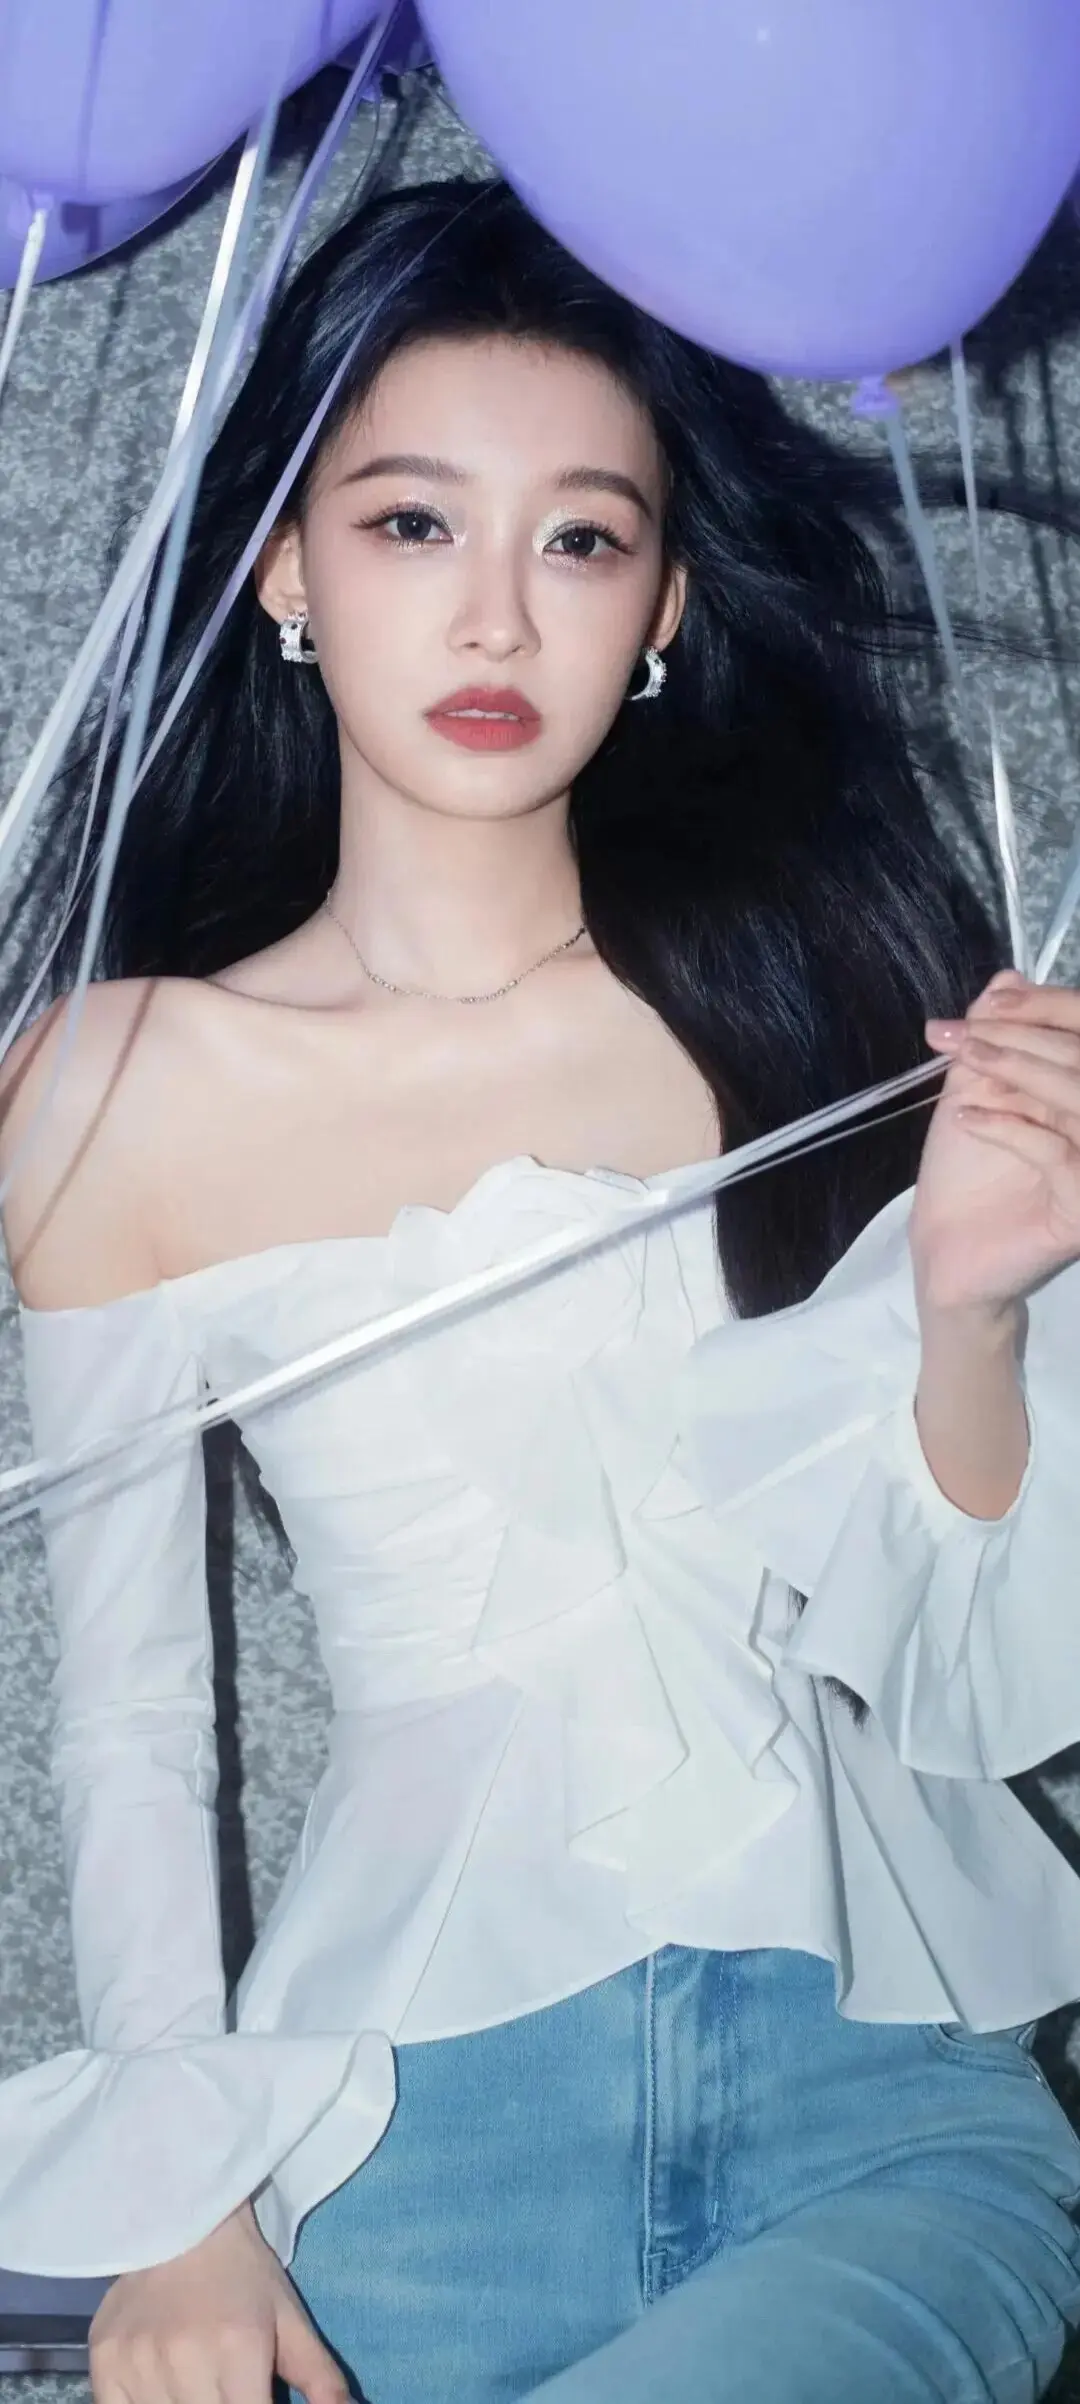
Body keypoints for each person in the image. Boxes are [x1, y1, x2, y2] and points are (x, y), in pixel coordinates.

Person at [0, 170, 1079, 2404]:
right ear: (285, 567)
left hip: (882, 2102)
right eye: (414, 523)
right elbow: (131, 1719)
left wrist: (977, 1307)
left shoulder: (825, 1003)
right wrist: (182, 2208)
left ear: (663, 601)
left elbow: (959, 1622)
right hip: (404, 2141)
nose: (495, 617)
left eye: (579, 540)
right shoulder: (111, 1088)